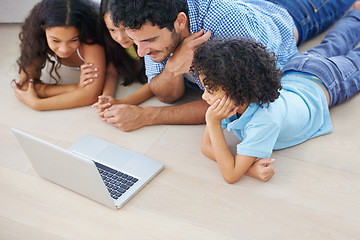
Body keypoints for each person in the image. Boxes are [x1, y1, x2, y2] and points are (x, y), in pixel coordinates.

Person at [99, 0, 354, 131]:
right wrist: (173, 68)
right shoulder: (148, 30)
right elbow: (168, 95)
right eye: (135, 42)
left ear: (179, 21)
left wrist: (147, 116)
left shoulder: (224, 27)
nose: (140, 51)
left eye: (149, 42)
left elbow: (233, 103)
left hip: (292, 12)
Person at [190, 7, 360, 184]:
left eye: (210, 90)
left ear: (236, 89)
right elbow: (206, 147)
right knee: (335, 41)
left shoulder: (264, 120)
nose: (203, 97)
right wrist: (249, 169)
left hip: (326, 81)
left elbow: (231, 175)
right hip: (297, 68)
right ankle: (357, 13)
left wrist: (213, 122)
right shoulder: (237, 101)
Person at [13, 0, 106, 111]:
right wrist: (75, 87)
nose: (64, 49)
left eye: (73, 40)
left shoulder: (90, 42)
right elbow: (25, 86)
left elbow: (91, 95)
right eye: (55, 41)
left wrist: (38, 104)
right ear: (43, 31)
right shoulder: (37, 40)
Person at [92, 0, 153, 114]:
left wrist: (122, 102)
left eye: (125, 29)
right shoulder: (111, 42)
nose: (120, 38)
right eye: (112, 30)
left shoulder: (150, 41)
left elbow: (156, 81)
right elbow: (111, 71)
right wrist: (106, 98)